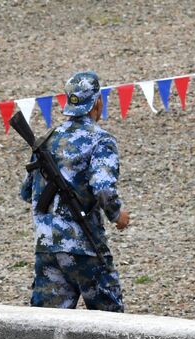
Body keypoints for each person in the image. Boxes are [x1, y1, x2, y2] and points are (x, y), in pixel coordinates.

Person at [23, 70, 130, 312]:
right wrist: (117, 215)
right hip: (85, 246)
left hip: (47, 246)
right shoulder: (101, 140)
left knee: (43, 330)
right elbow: (103, 188)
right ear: (98, 101)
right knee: (111, 328)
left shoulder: (47, 139)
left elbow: (26, 191)